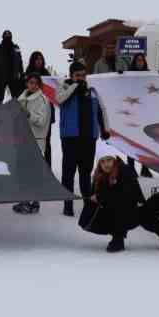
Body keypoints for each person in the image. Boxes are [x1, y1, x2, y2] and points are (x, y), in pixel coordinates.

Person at [56, 62, 109, 216]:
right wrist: (74, 87)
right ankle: (68, 205)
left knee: (85, 173)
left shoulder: (92, 91)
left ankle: (87, 204)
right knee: (68, 173)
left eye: (83, 75)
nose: (81, 78)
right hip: (70, 138)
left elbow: (101, 110)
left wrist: (105, 128)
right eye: (77, 75)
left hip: (88, 138)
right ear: (71, 75)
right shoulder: (64, 87)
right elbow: (59, 100)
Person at [81, 155, 146, 252]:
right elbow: (95, 193)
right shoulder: (99, 174)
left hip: (133, 210)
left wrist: (99, 197)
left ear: (114, 160)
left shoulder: (125, 170)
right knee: (93, 205)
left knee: (118, 205)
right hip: (114, 207)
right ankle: (113, 232)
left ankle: (118, 237)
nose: (106, 164)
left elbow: (125, 196)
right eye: (102, 162)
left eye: (108, 160)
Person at [14, 70, 53, 214]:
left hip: (35, 141)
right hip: (22, 139)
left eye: (36, 83)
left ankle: (34, 202)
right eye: (31, 82)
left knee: (32, 173)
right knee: (23, 173)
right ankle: (25, 200)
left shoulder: (43, 100)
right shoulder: (21, 98)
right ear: (27, 83)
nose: (33, 86)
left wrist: (28, 114)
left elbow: (42, 122)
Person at [0, 30, 24, 103]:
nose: (7, 36)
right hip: (1, 77)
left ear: (11, 37)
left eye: (9, 35)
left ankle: (16, 111)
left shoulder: (16, 47)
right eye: (6, 35)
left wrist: (22, 73)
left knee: (16, 97)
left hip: (13, 77)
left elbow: (20, 61)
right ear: (3, 37)